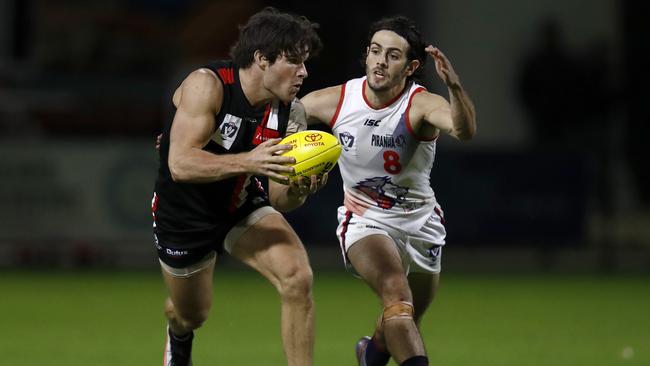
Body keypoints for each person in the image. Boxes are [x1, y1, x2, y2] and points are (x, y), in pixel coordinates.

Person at [151, 7, 324, 366]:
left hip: (239, 204)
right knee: (192, 314)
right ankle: (178, 332)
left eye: (305, 62)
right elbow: (180, 164)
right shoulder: (208, 84)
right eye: (294, 61)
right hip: (183, 216)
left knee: (297, 277)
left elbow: (279, 199)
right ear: (261, 59)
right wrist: (250, 161)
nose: (303, 72)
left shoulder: (290, 113)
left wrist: (300, 186)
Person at [300, 16, 476, 366]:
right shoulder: (337, 100)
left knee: (399, 318)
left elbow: (464, 129)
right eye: (375, 51)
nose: (380, 61)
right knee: (397, 296)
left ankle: (370, 355)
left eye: (393, 55)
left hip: (422, 224)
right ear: (366, 55)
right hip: (365, 222)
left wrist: (455, 87)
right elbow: (278, 118)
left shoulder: (420, 104)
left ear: (411, 67)